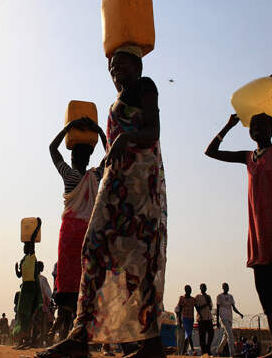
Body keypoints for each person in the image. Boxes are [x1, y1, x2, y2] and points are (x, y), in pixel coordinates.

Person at [38, 45, 167, 358]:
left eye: (120, 64)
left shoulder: (146, 87)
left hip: (141, 189)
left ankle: (149, 344)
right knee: (94, 247)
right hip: (116, 187)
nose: (115, 71)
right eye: (111, 67)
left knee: (142, 261)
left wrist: (126, 138)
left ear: (137, 65)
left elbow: (153, 130)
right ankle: (82, 335)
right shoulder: (113, 104)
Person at [205, 73, 272, 358]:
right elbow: (210, 152)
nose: (257, 130)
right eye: (254, 126)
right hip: (260, 236)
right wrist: (227, 126)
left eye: (263, 125)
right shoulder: (247, 157)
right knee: (265, 292)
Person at [48, 110, 107, 340]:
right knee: (85, 277)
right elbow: (110, 154)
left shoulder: (69, 176)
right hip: (88, 233)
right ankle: (81, 329)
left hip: (69, 233)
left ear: (72, 158)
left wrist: (67, 127)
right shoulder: (95, 177)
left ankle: (64, 325)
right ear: (89, 159)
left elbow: (53, 150)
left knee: (67, 277)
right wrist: (101, 131)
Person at [13, 219, 43, 349]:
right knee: (21, 313)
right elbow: (20, 276)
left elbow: (31, 240)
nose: (25, 247)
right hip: (25, 286)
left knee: (26, 313)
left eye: (27, 246)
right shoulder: (24, 259)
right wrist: (16, 270)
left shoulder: (31, 255)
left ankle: (26, 340)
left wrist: (38, 227)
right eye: (24, 246)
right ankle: (22, 339)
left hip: (30, 287)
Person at [215, 283, 244, 356]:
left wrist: (239, 313)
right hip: (223, 317)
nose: (226, 288)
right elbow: (218, 308)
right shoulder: (219, 296)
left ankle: (219, 350)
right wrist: (218, 320)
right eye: (225, 287)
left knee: (226, 336)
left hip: (229, 317)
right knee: (230, 335)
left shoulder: (230, 296)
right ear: (223, 288)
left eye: (227, 287)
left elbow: (233, 307)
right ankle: (232, 353)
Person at [177, 285, 196, 355]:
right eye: (188, 289)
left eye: (190, 289)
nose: (189, 291)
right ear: (185, 290)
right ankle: (193, 349)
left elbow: (197, 307)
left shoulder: (193, 299)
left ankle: (184, 352)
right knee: (188, 334)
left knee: (188, 335)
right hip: (185, 318)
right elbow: (179, 309)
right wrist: (179, 320)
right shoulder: (182, 298)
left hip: (191, 318)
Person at [195, 283, 214, 355]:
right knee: (202, 336)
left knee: (211, 334)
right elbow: (197, 307)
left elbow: (211, 307)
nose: (204, 289)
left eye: (205, 287)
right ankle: (204, 351)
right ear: (200, 288)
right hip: (201, 318)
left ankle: (208, 348)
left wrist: (208, 304)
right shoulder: (198, 296)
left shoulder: (208, 296)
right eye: (202, 287)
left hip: (208, 317)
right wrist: (205, 304)